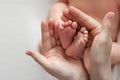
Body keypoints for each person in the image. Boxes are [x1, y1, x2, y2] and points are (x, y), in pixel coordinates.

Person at [26, 10, 114, 80]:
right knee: (58, 9)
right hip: (85, 33)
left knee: (111, 48)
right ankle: (67, 41)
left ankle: (69, 44)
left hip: (103, 41)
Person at [47, 0, 120, 65]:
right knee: (57, 8)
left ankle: (75, 49)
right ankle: (68, 39)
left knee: (115, 50)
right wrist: (58, 20)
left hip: (103, 41)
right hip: (75, 29)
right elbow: (60, 3)